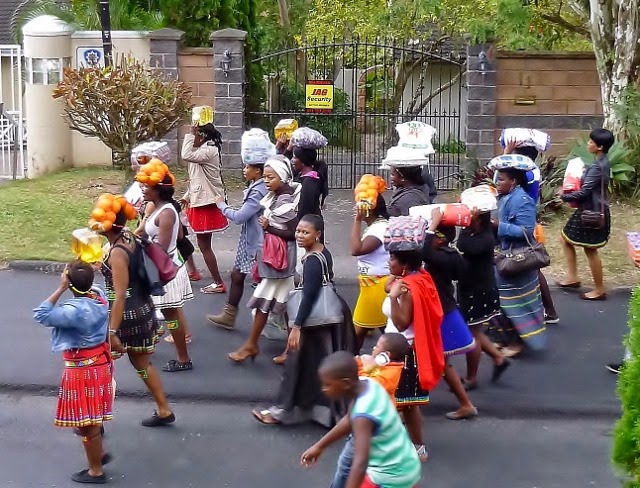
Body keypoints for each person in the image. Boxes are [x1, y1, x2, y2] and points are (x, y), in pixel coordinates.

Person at [251, 214, 356, 427]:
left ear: (318, 234)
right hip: (328, 317)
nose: (299, 235)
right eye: (298, 231)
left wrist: (297, 326)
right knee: (320, 366)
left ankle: (282, 412)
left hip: (314, 320)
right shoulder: (322, 252)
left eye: (305, 232)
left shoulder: (312, 261)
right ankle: (328, 413)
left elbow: (309, 295)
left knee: (296, 366)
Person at [33, 260, 113, 484]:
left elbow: (41, 314)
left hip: (82, 371)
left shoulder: (74, 311)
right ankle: (99, 453)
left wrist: (61, 288)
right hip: (99, 365)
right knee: (90, 418)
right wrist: (82, 272)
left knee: (87, 426)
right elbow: (90, 284)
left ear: (69, 282)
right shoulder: (99, 297)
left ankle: (96, 471)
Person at [100, 202, 175, 427]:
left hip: (125, 317)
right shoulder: (128, 236)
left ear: (109, 225)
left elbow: (120, 294)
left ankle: (94, 422)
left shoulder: (117, 253)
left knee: (100, 366)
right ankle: (164, 409)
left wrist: (112, 331)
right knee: (142, 364)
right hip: (142, 308)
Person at [300, 333, 408, 488]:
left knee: (347, 468)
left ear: (346, 383)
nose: (323, 389)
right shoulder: (366, 385)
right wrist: (319, 446)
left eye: (328, 384)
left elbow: (360, 462)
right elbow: (349, 419)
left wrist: (366, 366)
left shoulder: (366, 407)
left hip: (379, 444)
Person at [228, 155, 300, 363]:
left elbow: (293, 232)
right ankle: (291, 349)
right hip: (280, 260)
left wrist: (269, 227)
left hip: (281, 261)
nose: (266, 181)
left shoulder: (285, 200)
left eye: (271, 177)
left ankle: (253, 345)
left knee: (265, 301)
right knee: (285, 303)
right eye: (265, 177)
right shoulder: (278, 195)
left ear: (282, 177)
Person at [383, 249, 445, 461]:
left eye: (392, 259)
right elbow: (387, 286)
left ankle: (415, 448)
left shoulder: (407, 289)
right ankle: (415, 447)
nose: (388, 262)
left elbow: (401, 323)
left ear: (405, 265)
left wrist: (393, 298)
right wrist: (395, 277)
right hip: (400, 348)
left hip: (403, 352)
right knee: (406, 404)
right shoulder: (418, 278)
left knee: (403, 404)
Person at [422, 210, 479, 419]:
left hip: (441, 312)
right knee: (440, 363)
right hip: (440, 308)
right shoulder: (451, 255)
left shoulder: (443, 257)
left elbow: (424, 252)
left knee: (442, 362)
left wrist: (432, 224)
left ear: (441, 239)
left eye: (432, 235)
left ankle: (465, 404)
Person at [140, 172, 194, 372]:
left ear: (158, 190)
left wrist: (137, 248)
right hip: (166, 268)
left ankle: (183, 359)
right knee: (168, 314)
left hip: (166, 272)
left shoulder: (166, 213)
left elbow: (160, 249)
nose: (143, 189)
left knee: (171, 316)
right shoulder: (163, 208)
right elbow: (178, 236)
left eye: (147, 186)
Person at [207, 159, 269, 330]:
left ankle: (281, 322)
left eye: (248, 167)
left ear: (258, 171)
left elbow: (239, 217)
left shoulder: (258, 190)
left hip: (258, 241)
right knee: (238, 274)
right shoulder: (258, 186)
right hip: (252, 239)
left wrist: (221, 205)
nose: (244, 169)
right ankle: (229, 315)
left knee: (268, 282)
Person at [492, 167, 547, 356]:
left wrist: (499, 226)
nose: (497, 183)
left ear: (513, 181)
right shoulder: (504, 197)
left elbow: (525, 231)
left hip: (518, 261)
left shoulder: (523, 201)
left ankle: (518, 343)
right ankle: (503, 338)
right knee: (503, 302)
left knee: (518, 304)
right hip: (503, 257)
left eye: (501, 179)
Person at [504, 140, 559, 323]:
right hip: (526, 221)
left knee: (530, 266)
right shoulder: (532, 171)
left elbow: (501, 176)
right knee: (529, 266)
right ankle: (547, 310)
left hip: (521, 224)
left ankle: (546, 310)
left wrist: (507, 152)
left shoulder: (525, 176)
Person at [457, 210, 511, 387]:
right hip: (474, 288)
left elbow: (464, 245)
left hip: (478, 290)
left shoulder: (484, 238)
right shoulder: (478, 231)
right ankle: (498, 358)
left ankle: (471, 378)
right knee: (475, 330)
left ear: (479, 216)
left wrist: (464, 227)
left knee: (471, 334)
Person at [559, 128, 614, 301]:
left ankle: (599, 289)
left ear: (600, 147)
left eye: (591, 142)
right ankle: (572, 277)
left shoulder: (597, 166)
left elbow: (584, 192)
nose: (588, 144)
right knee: (565, 239)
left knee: (590, 249)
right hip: (591, 209)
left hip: (592, 211)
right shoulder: (602, 161)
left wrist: (563, 197)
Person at [181, 123, 229, 294]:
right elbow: (197, 178)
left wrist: (190, 134)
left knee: (204, 246)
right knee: (203, 245)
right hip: (200, 200)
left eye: (196, 134)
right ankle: (216, 281)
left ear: (202, 136)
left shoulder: (208, 151)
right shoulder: (202, 151)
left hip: (205, 203)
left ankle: (218, 283)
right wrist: (187, 196)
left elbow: (185, 154)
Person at [350, 194, 391, 351]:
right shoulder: (376, 226)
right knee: (386, 332)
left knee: (357, 333)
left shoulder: (379, 228)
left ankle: (350, 361)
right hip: (371, 286)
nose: (356, 207)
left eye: (360, 204)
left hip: (377, 287)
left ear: (369, 208)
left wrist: (357, 221)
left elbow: (356, 249)